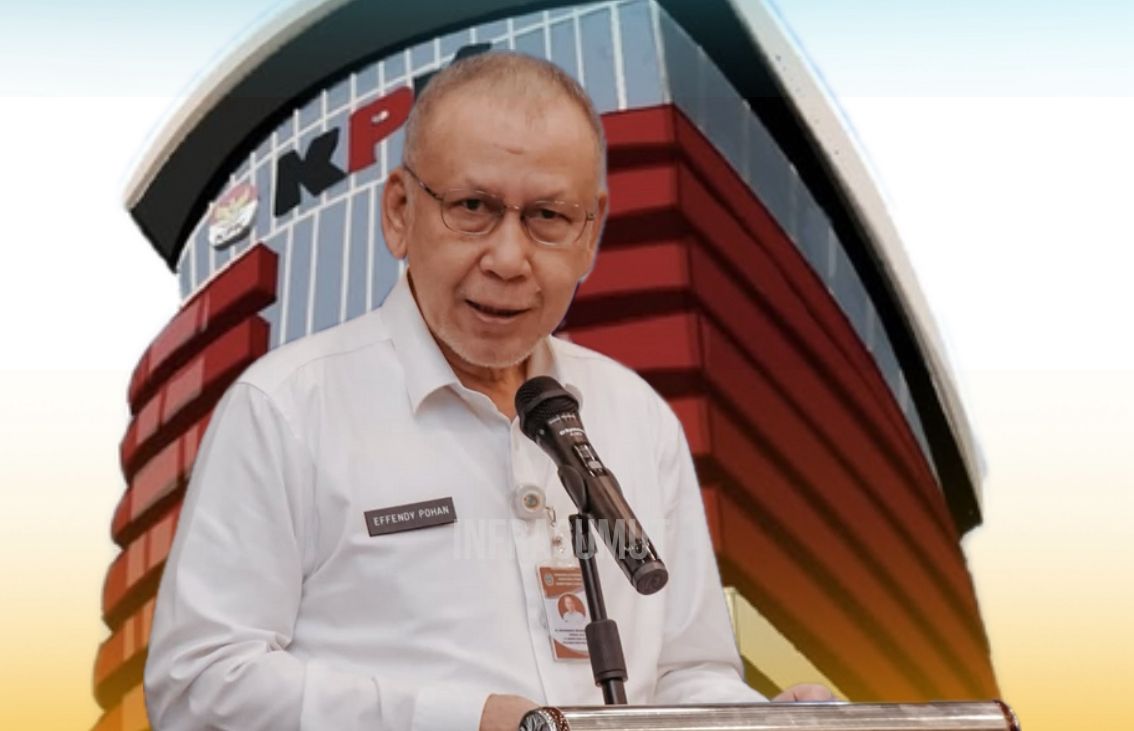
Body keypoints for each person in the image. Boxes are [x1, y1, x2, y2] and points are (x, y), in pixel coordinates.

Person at [144, 51, 831, 731]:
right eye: (473, 207)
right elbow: (197, 686)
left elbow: (683, 674)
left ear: (590, 234)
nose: (508, 259)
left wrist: (763, 721)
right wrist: (460, 721)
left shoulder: (636, 415)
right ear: (399, 212)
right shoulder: (287, 408)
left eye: (548, 217)